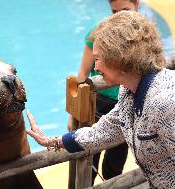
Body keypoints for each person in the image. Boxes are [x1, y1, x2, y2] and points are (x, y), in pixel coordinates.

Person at [27, 11, 175, 189]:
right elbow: (104, 131)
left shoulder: (165, 103)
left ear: (120, 57)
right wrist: (52, 141)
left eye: (97, 59)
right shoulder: (129, 91)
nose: (95, 67)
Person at [67, 0, 139, 184]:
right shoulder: (100, 31)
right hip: (98, 104)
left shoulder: (143, 33)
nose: (120, 17)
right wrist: (73, 115)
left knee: (114, 166)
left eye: (125, 10)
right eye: (115, 11)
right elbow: (83, 73)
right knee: (89, 159)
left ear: (136, 4)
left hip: (126, 105)